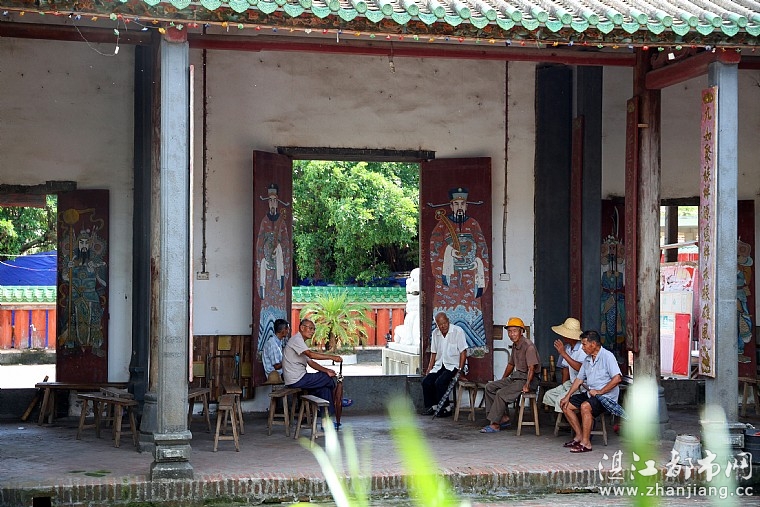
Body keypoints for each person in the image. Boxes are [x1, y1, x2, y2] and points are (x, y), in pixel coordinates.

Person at [428, 187, 489, 355]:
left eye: (463, 204)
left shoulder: (473, 224)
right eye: (456, 204)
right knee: (445, 314)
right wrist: (448, 252)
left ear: (467, 205)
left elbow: (482, 248)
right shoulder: (442, 224)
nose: (459, 207)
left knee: (471, 313)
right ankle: (440, 350)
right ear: (451, 205)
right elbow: (434, 247)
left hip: (469, 278)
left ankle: (473, 347)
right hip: (448, 281)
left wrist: (477, 262)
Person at [560, 330, 622, 453]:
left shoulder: (607, 356)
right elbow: (579, 379)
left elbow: (617, 378)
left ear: (593, 344)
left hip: (606, 397)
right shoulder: (588, 359)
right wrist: (567, 396)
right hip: (592, 394)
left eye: (584, 344)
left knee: (585, 406)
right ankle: (579, 436)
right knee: (565, 405)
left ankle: (586, 443)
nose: (582, 348)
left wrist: (600, 391)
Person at [481, 317, 540, 433]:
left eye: (514, 331)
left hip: (529, 379)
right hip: (517, 377)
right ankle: (502, 418)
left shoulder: (529, 346)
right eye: (509, 331)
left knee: (501, 393)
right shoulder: (515, 345)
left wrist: (527, 385)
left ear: (521, 332)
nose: (512, 334)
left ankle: (495, 424)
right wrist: (502, 380)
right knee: (490, 387)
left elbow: (531, 368)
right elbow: (511, 364)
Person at [282, 318, 343, 421]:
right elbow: (311, 355)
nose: (312, 331)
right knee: (327, 379)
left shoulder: (301, 343)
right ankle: (337, 399)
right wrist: (332, 357)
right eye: (310, 328)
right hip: (297, 379)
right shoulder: (296, 340)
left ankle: (326, 419)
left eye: (314, 329)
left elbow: (311, 363)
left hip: (300, 378)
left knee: (324, 388)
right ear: (302, 328)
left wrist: (326, 370)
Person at [420, 312, 468, 417]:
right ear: (437, 325)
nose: (443, 326)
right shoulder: (435, 333)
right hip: (440, 365)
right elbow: (433, 353)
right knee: (426, 382)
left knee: (440, 382)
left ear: (448, 321)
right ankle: (433, 406)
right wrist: (429, 369)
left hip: (454, 365)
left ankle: (446, 408)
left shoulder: (457, 331)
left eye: (445, 323)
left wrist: (460, 370)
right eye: (440, 324)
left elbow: (463, 352)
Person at [542, 317, 586, 412]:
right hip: (570, 383)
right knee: (549, 395)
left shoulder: (583, 348)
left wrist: (563, 354)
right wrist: (564, 386)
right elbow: (565, 369)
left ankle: (568, 415)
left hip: (581, 386)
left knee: (560, 400)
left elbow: (581, 368)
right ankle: (565, 414)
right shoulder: (567, 347)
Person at [262, 319, 289, 384]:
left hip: (280, 374)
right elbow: (276, 366)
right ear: (283, 331)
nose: (288, 331)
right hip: (274, 376)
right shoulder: (272, 344)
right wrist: (289, 361)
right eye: (287, 329)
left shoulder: (279, 342)